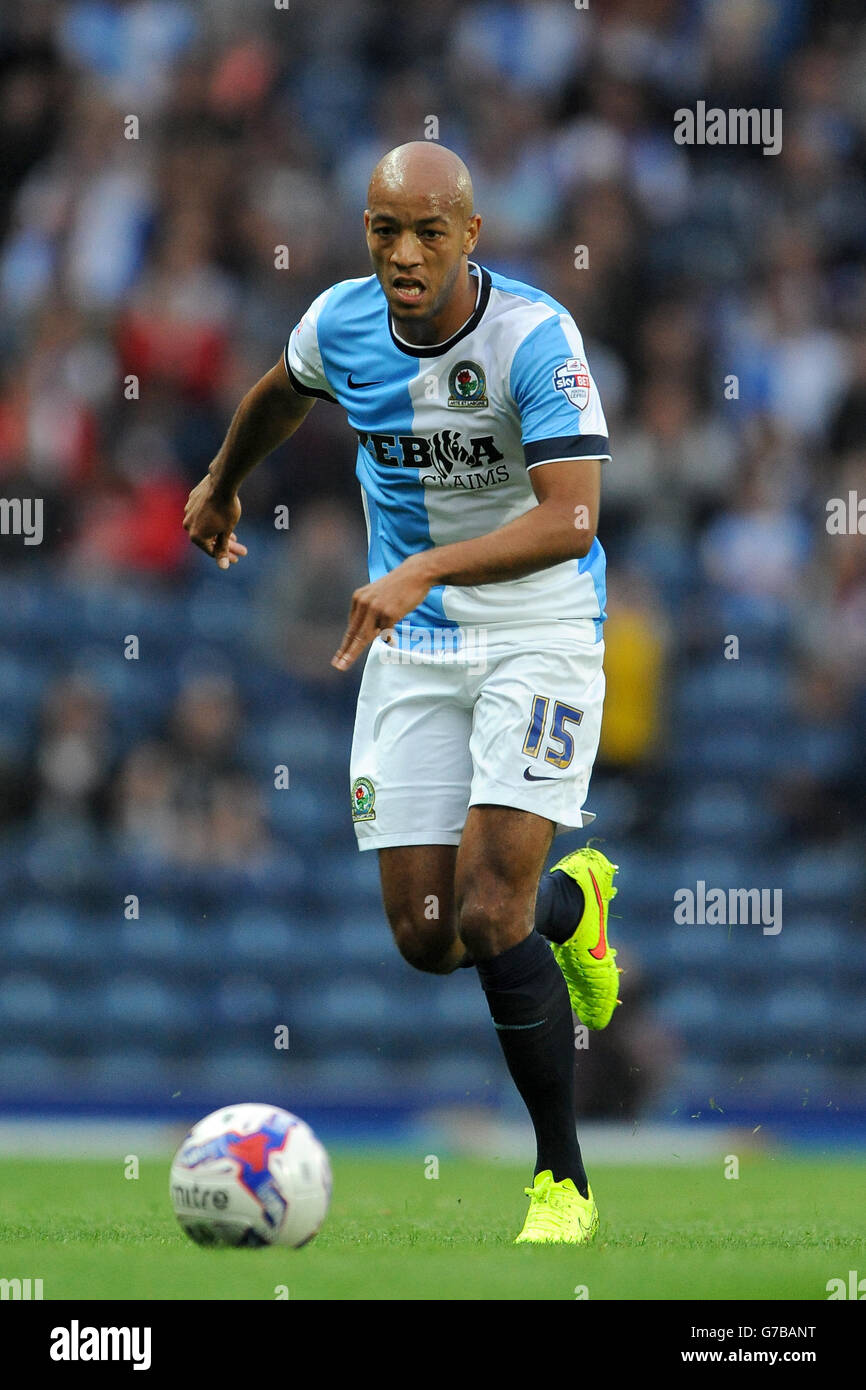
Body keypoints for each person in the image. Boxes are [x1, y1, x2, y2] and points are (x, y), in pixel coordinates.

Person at [184, 141, 621, 1244]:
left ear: (472, 235)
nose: (406, 252)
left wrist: (422, 565)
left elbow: (573, 515)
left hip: (539, 631)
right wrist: (220, 482)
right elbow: (280, 393)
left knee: (487, 905)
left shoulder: (534, 337)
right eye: (386, 231)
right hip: (415, 645)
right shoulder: (340, 323)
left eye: (430, 231)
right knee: (430, 936)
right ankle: (579, 908)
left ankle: (560, 1183)